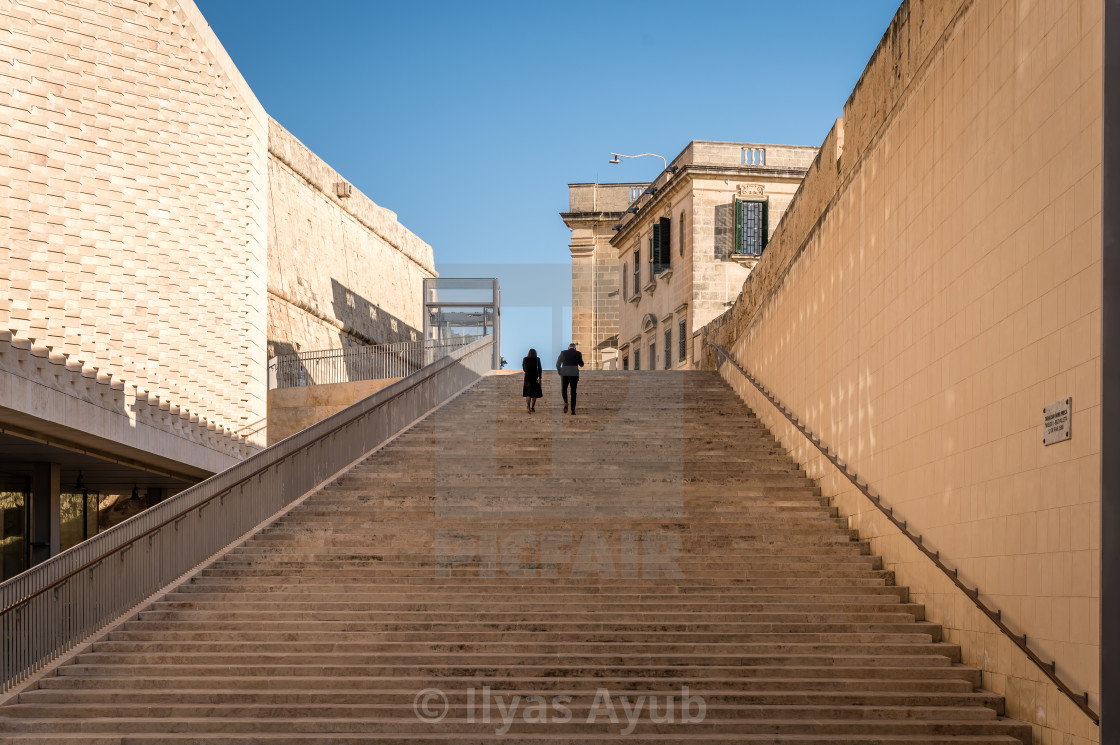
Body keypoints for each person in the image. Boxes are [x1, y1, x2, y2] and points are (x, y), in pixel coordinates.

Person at [555, 342, 584, 415]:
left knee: (564, 389)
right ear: (575, 348)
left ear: (568, 347)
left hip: (564, 373)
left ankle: (565, 401)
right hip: (574, 373)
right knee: (573, 392)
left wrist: (560, 371)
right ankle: (573, 410)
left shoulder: (563, 353)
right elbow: (581, 364)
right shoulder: (578, 353)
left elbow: (558, 364)